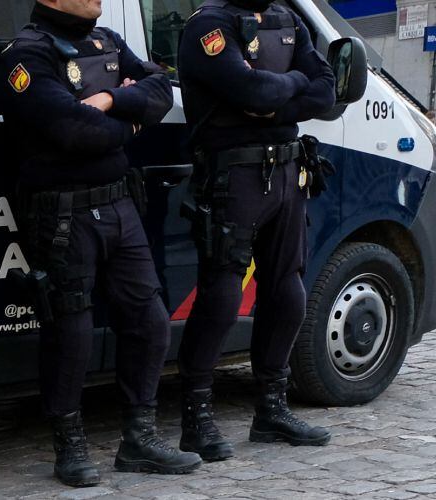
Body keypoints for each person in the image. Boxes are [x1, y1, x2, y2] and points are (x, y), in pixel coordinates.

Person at [0, 0, 202, 488]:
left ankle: (140, 440)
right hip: (61, 212)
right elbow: (71, 130)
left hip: (118, 205)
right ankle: (69, 448)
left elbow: (157, 91)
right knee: (71, 333)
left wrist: (111, 103)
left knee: (149, 320)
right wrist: (128, 119)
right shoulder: (25, 56)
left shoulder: (107, 40)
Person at [175, 0, 336, 458]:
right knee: (221, 297)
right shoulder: (208, 26)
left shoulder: (288, 20)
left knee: (288, 292)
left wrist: (276, 97)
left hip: (287, 172)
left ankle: (271, 410)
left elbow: (326, 93)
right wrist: (289, 86)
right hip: (234, 177)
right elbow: (253, 92)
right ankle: (196, 419)